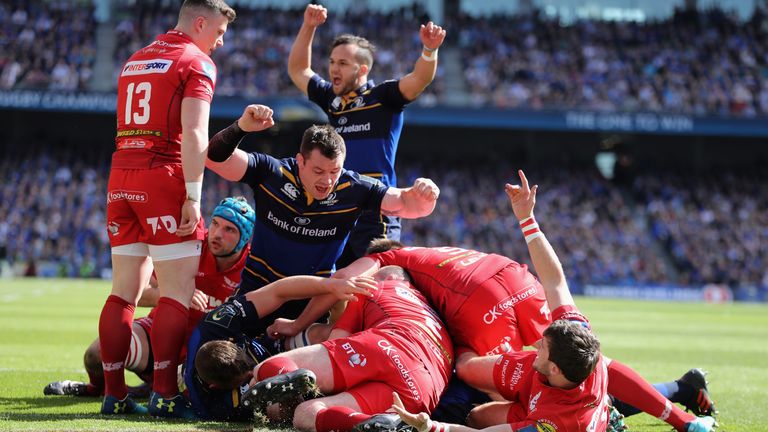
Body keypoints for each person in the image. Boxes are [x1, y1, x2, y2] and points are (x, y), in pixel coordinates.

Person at [372, 170, 717, 432]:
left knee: (474, 415)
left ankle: (636, 405)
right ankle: (675, 391)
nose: (534, 344)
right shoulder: (577, 343)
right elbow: (554, 280)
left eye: (541, 348)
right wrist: (527, 219)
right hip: (548, 385)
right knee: (465, 369)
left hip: (547, 407)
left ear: (552, 367)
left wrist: (431, 426)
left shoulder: (556, 421)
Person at [100, 0, 236, 417]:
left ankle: (114, 395)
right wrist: (193, 195)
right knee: (177, 292)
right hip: (163, 177)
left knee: (123, 293)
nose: (220, 41)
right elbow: (195, 133)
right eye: (218, 32)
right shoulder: (195, 62)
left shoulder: (136, 59)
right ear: (200, 22)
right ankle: (163, 393)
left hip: (121, 176)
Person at [205, 105, 440, 333]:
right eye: (318, 171)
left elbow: (409, 204)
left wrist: (424, 193)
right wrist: (241, 127)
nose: (327, 181)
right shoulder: (272, 173)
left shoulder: (355, 188)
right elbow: (214, 158)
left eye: (334, 172)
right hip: (257, 293)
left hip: (310, 307)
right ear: (300, 161)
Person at [44, 197, 254, 399]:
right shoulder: (191, 246)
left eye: (229, 230)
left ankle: (155, 387)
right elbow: (140, 293)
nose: (216, 234)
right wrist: (177, 293)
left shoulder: (253, 267)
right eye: (215, 223)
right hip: (159, 335)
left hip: (205, 354)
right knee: (97, 353)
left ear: (244, 237)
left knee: (203, 389)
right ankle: (95, 389)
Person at [287, 4, 447, 267]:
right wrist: (308, 26)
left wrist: (429, 51)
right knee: (330, 284)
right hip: (337, 205)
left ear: (362, 70)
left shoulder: (383, 97)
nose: (333, 69)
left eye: (342, 63)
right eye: (331, 62)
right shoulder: (333, 100)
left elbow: (419, 79)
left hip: (376, 208)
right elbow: (298, 70)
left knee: (379, 277)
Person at [215, 265, 453, 432]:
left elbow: (337, 339)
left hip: (385, 348)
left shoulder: (374, 288)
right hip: (421, 392)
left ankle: (290, 377)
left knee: (265, 370)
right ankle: (367, 424)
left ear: (386, 277)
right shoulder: (442, 329)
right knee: (307, 415)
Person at [183, 273, 378, 420]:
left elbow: (278, 291)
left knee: (332, 303)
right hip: (277, 387)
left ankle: (372, 346)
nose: (254, 370)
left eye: (251, 364)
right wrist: (290, 397)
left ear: (230, 341)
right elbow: (276, 413)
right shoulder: (214, 406)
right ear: (215, 387)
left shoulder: (215, 326)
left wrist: (331, 285)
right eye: (248, 376)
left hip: (272, 345)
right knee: (278, 407)